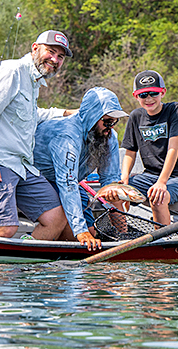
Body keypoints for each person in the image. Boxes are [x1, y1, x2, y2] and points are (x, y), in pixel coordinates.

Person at [0, 30, 73, 239]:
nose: (55, 59)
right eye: (51, 51)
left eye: (61, 56)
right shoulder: (11, 71)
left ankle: (25, 269)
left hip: (21, 165)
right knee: (3, 228)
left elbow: (30, 116)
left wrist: (66, 113)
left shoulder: (34, 81)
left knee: (56, 218)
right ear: (35, 48)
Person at [34, 87, 128, 251]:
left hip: (66, 182)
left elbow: (110, 180)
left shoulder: (109, 136)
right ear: (92, 118)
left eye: (114, 121)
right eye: (107, 121)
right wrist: (81, 231)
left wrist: (123, 236)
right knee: (78, 234)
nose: (111, 127)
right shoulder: (67, 136)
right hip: (38, 177)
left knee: (92, 233)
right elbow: (67, 183)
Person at [119, 70, 178, 226]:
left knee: (158, 198)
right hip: (150, 176)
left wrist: (162, 182)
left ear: (163, 93)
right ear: (136, 96)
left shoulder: (174, 110)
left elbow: (173, 149)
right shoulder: (135, 116)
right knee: (115, 193)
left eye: (154, 93)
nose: (149, 99)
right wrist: (125, 177)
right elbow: (130, 152)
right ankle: (120, 235)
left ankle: (163, 241)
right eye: (143, 95)